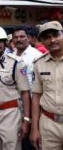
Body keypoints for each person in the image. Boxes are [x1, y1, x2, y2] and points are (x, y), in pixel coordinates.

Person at [30, 21, 63, 150]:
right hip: (49, 125)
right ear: (42, 41)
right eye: (47, 37)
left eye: (56, 35)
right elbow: (36, 96)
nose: (52, 40)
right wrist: (34, 128)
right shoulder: (39, 64)